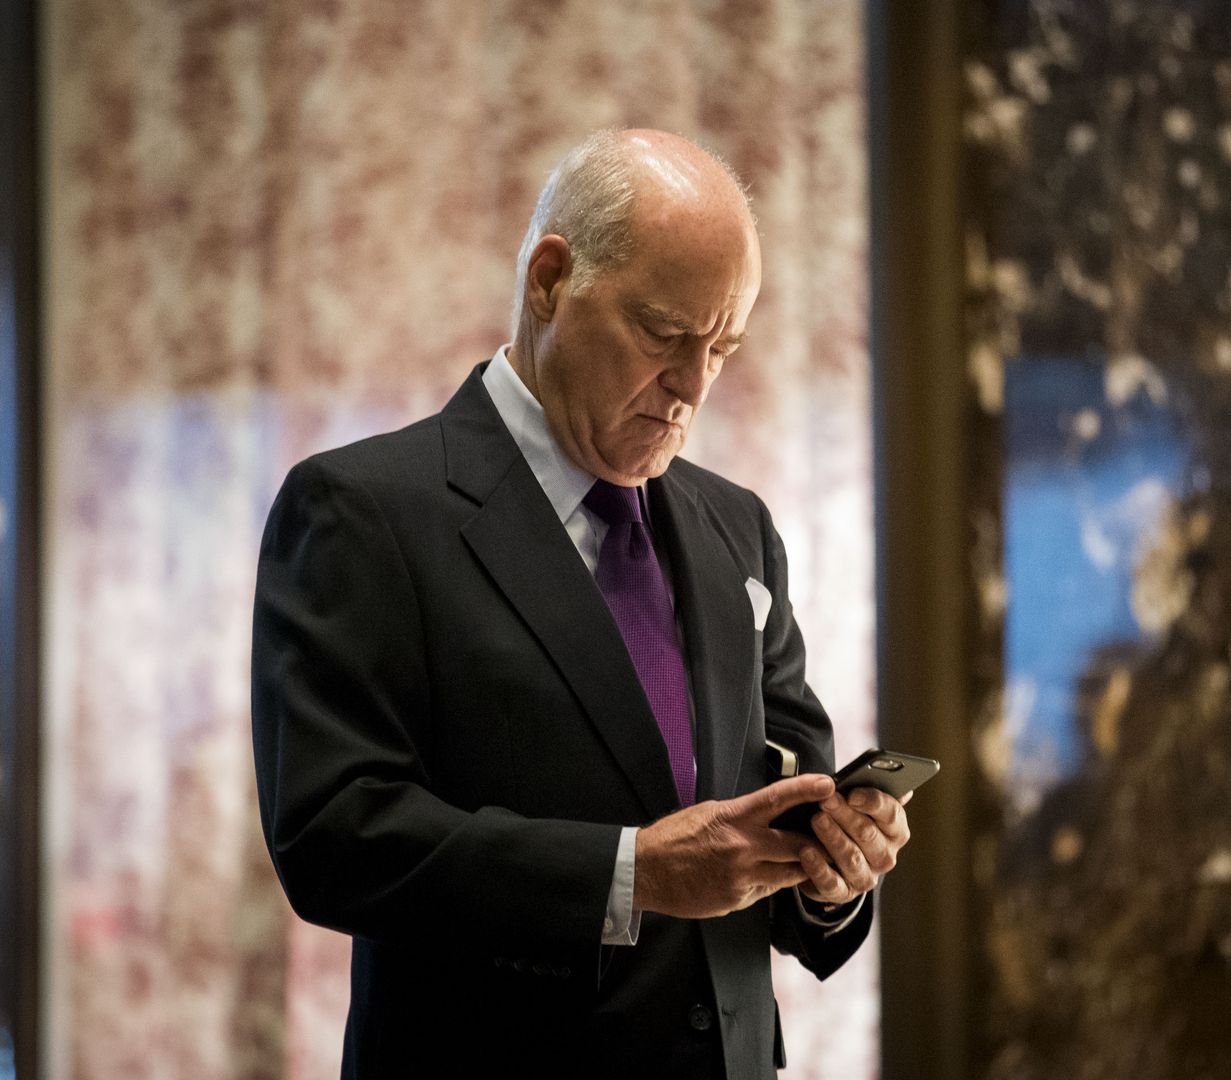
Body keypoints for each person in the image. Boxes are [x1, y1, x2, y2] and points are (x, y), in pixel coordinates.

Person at [250, 128, 911, 1079]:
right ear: (551, 279)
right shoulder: (363, 513)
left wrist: (832, 869)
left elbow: (775, 846)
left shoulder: (740, 530)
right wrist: (632, 873)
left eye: (722, 346)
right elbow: (334, 839)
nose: (693, 385)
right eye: (664, 332)